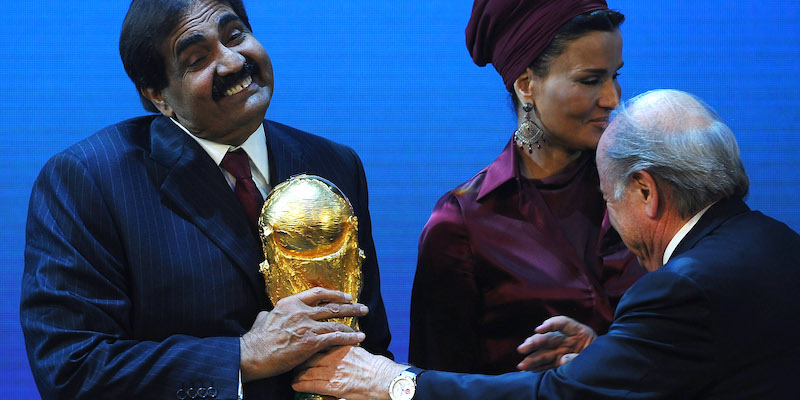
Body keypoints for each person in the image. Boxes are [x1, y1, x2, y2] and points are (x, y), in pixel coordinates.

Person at [292, 89, 800, 399]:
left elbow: (556, 397)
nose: (609, 218)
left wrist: (394, 383)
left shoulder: (681, 288)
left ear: (646, 192)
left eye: (609, 199)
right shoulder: (780, 243)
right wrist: (612, 357)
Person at [20, 1, 391, 399]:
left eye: (236, 35)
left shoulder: (334, 164)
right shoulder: (88, 180)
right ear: (158, 96)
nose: (232, 62)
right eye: (197, 59)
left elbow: (369, 347)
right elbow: (72, 369)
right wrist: (245, 355)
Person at [409, 0, 645, 374]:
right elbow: (435, 383)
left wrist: (600, 353)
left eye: (615, 76)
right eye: (590, 80)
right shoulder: (461, 224)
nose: (612, 99)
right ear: (526, 86)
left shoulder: (645, 190)